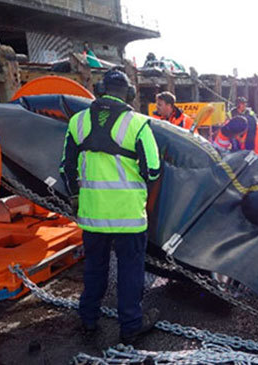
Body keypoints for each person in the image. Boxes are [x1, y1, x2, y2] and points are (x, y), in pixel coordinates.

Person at [60, 69, 161, 343]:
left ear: (100, 89)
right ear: (129, 94)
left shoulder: (77, 122)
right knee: (130, 271)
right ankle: (130, 327)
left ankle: (88, 320)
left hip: (92, 215)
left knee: (94, 268)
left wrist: (77, 196)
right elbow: (152, 170)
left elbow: (65, 168)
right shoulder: (139, 124)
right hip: (129, 216)